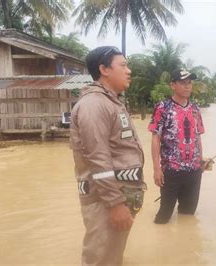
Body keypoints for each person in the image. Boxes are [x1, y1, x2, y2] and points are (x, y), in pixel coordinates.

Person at [70, 46, 146, 265]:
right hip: (106, 201)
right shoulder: (95, 104)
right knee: (101, 259)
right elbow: (97, 158)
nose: (129, 70)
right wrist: (114, 204)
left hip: (118, 196)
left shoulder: (110, 102)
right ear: (104, 69)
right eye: (123, 65)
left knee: (111, 256)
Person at [148, 68, 205, 224]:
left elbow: (197, 136)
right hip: (171, 170)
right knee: (164, 217)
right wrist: (156, 169)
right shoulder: (162, 107)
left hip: (194, 171)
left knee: (188, 215)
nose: (187, 86)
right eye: (183, 83)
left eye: (189, 83)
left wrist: (201, 160)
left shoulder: (195, 109)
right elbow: (155, 138)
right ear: (172, 85)